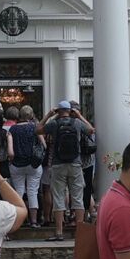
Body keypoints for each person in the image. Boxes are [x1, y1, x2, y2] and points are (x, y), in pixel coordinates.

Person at [44, 101, 87, 243]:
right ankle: (80, 232)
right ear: (70, 110)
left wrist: (50, 115)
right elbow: (91, 130)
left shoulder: (54, 124)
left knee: (58, 198)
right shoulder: (77, 123)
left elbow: (37, 129)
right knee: (77, 198)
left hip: (58, 164)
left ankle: (59, 232)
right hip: (75, 163)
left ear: (59, 111)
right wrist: (80, 116)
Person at [7, 106, 44, 216]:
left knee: (18, 191)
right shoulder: (34, 127)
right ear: (31, 115)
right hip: (33, 164)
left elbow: (11, 150)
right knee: (32, 191)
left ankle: (20, 218)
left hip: (17, 164)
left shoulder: (13, 129)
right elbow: (44, 144)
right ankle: (33, 220)